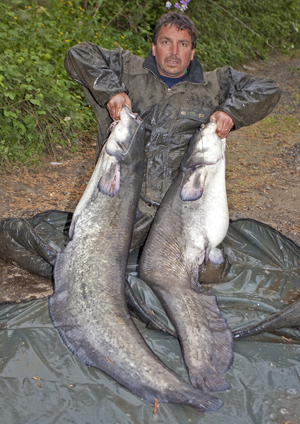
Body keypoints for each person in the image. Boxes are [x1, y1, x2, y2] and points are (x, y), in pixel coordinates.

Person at [64, 12, 282, 248]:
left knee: (201, 272)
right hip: (124, 204)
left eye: (183, 44)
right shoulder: (128, 69)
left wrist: (230, 112)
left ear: (192, 53)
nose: (174, 52)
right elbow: (78, 53)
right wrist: (112, 91)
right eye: (166, 42)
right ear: (154, 48)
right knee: (86, 257)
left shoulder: (215, 85)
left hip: (181, 210)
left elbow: (268, 88)